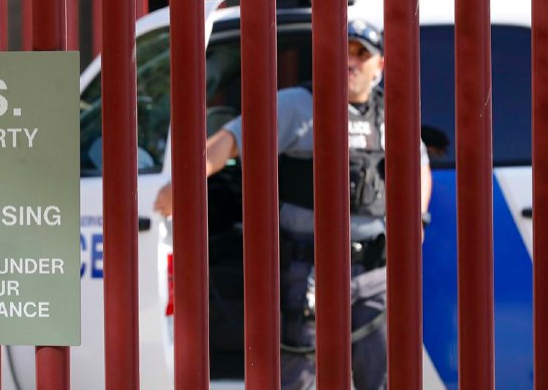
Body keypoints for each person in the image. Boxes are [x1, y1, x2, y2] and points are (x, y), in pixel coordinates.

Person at [154, 19, 433, 390]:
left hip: (373, 271)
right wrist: (183, 185)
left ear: (379, 65)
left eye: (361, 54)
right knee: (301, 377)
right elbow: (231, 140)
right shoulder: (298, 105)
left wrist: (417, 219)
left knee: (384, 375)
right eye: (344, 52)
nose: (350, 62)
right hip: (310, 268)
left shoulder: (391, 114)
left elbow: (419, 165)